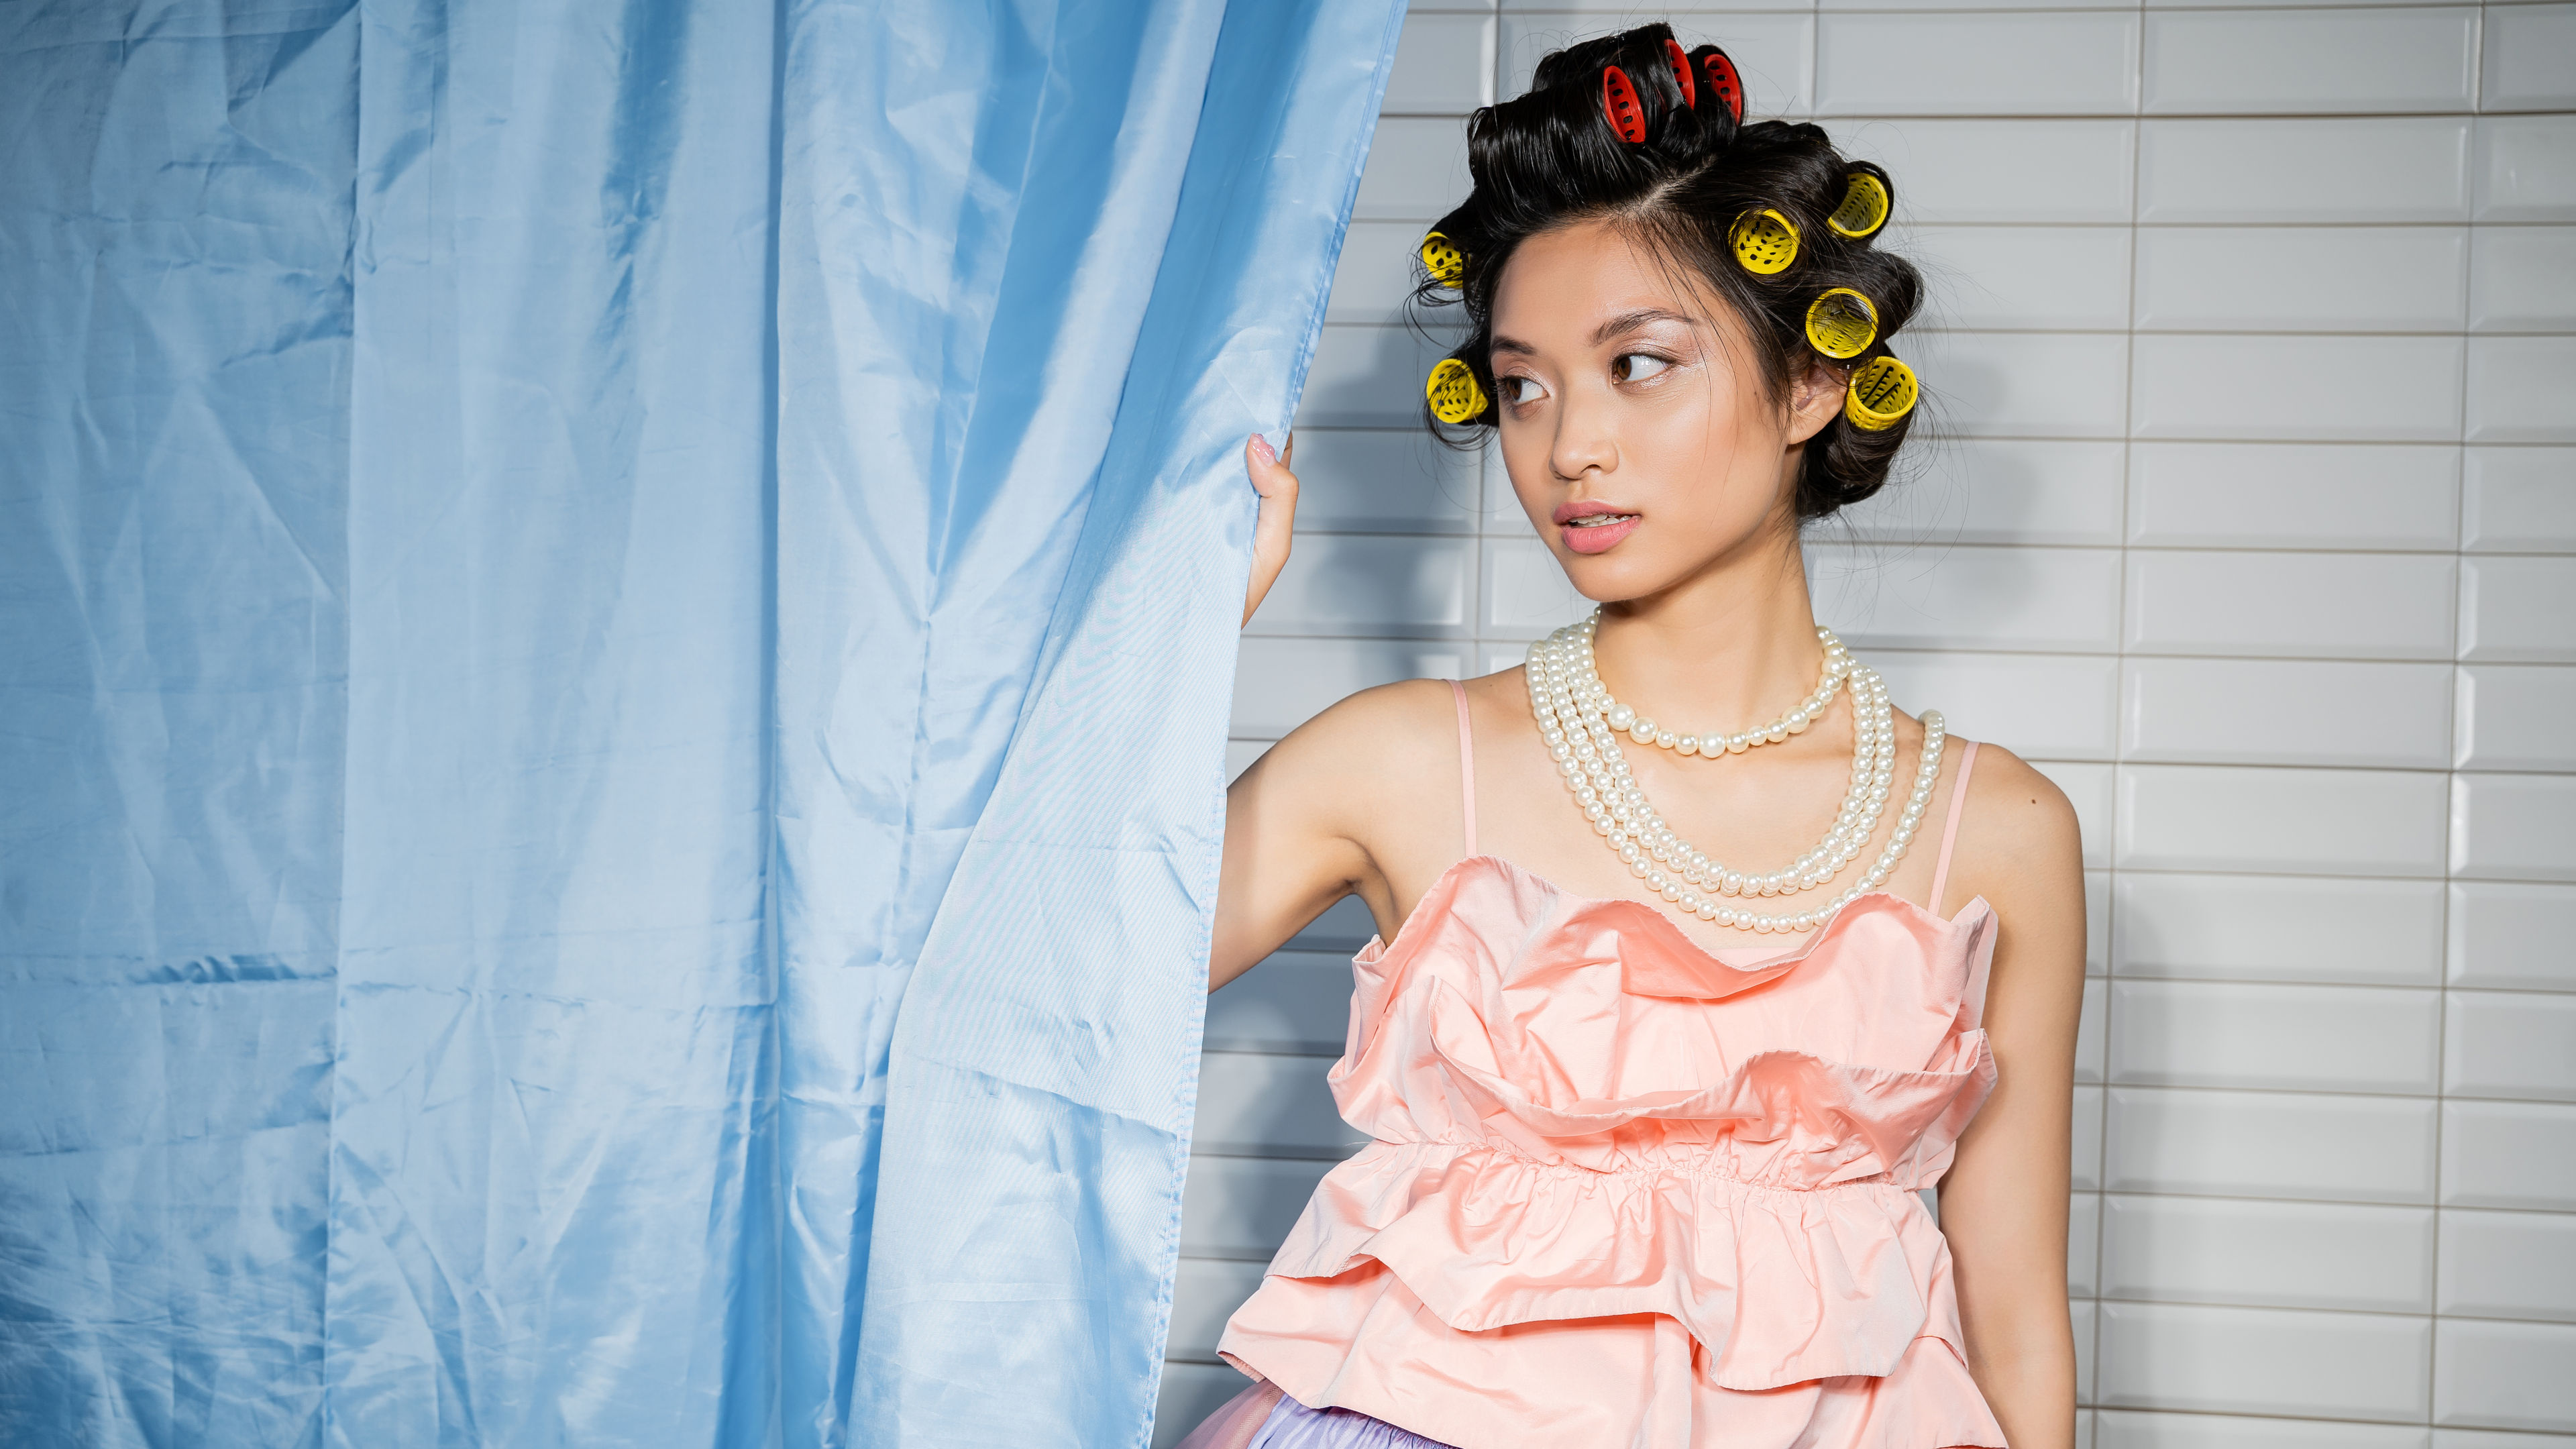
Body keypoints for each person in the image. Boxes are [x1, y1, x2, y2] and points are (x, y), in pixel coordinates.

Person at [1180, 23, 2085, 1449]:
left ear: (1811, 383)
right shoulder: (1397, 764)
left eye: (1639, 366)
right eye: (1527, 383)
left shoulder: (2001, 828)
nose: (1568, 446)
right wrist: (1173, 644)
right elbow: (1038, 987)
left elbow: (2019, 1319)